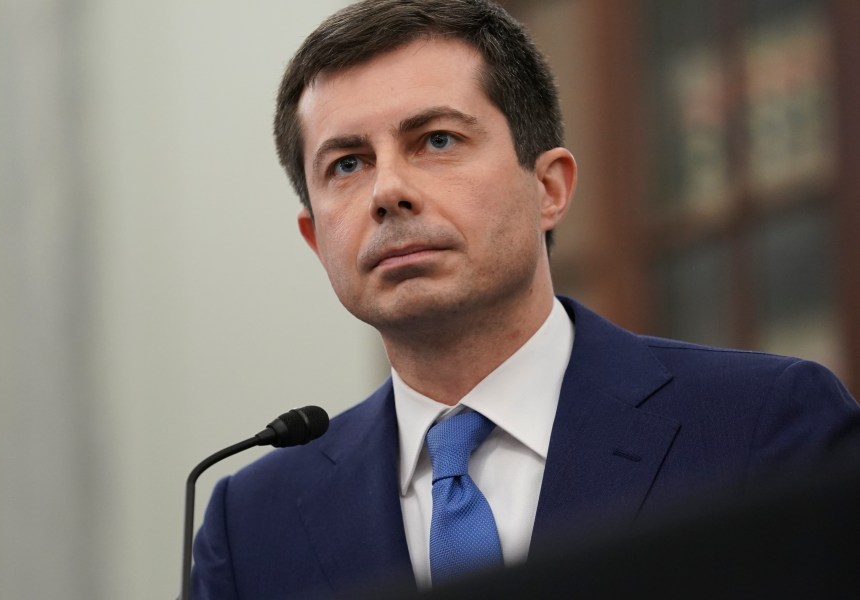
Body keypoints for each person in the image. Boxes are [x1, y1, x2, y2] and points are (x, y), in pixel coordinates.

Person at [190, 1, 860, 598]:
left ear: (550, 188)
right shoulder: (251, 526)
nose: (387, 191)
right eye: (347, 163)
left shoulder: (763, 428)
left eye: (437, 141)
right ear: (315, 239)